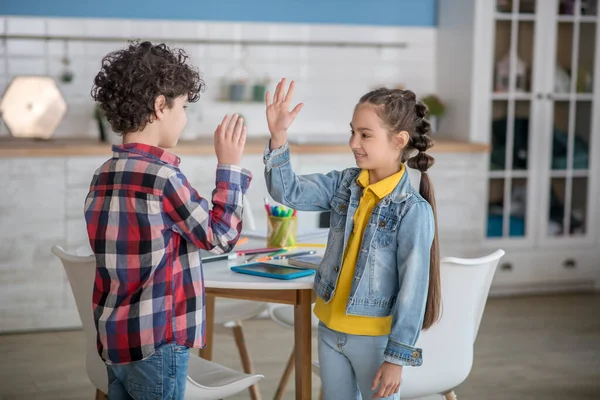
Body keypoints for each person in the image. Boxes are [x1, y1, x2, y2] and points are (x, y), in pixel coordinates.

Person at [85, 40, 251, 399]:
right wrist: (230, 166)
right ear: (161, 105)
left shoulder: (103, 175)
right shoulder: (163, 179)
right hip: (157, 341)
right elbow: (220, 237)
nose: (186, 117)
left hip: (115, 339)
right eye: (185, 107)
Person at [263, 78, 440, 399]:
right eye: (353, 132)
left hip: (374, 341)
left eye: (365, 135)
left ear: (399, 140)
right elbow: (287, 191)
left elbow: (414, 291)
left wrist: (396, 358)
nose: (354, 143)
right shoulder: (344, 184)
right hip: (331, 330)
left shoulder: (412, 211)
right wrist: (279, 137)